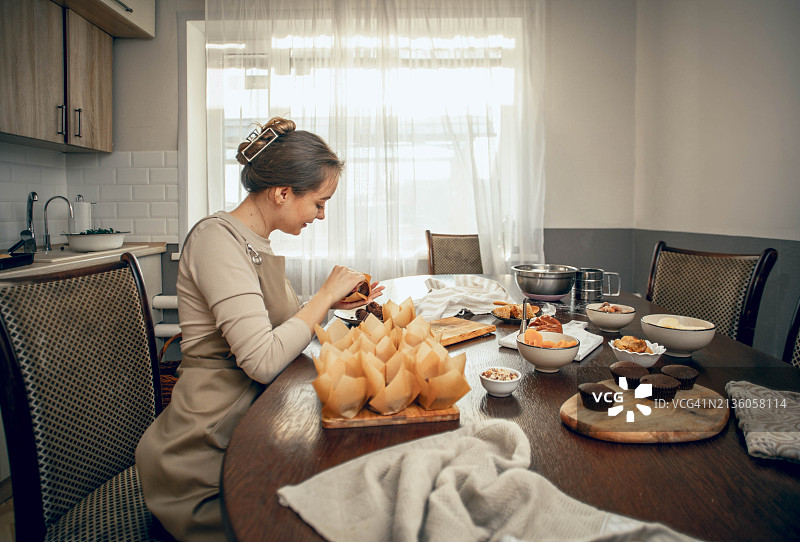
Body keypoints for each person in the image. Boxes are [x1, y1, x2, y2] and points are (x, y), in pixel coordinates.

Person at [135, 117, 382, 541]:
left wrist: (326, 306)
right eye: (320, 203)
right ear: (283, 192)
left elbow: (272, 331)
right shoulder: (217, 240)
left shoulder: (254, 242)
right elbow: (263, 361)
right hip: (205, 457)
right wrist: (322, 297)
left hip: (250, 431)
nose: (322, 215)